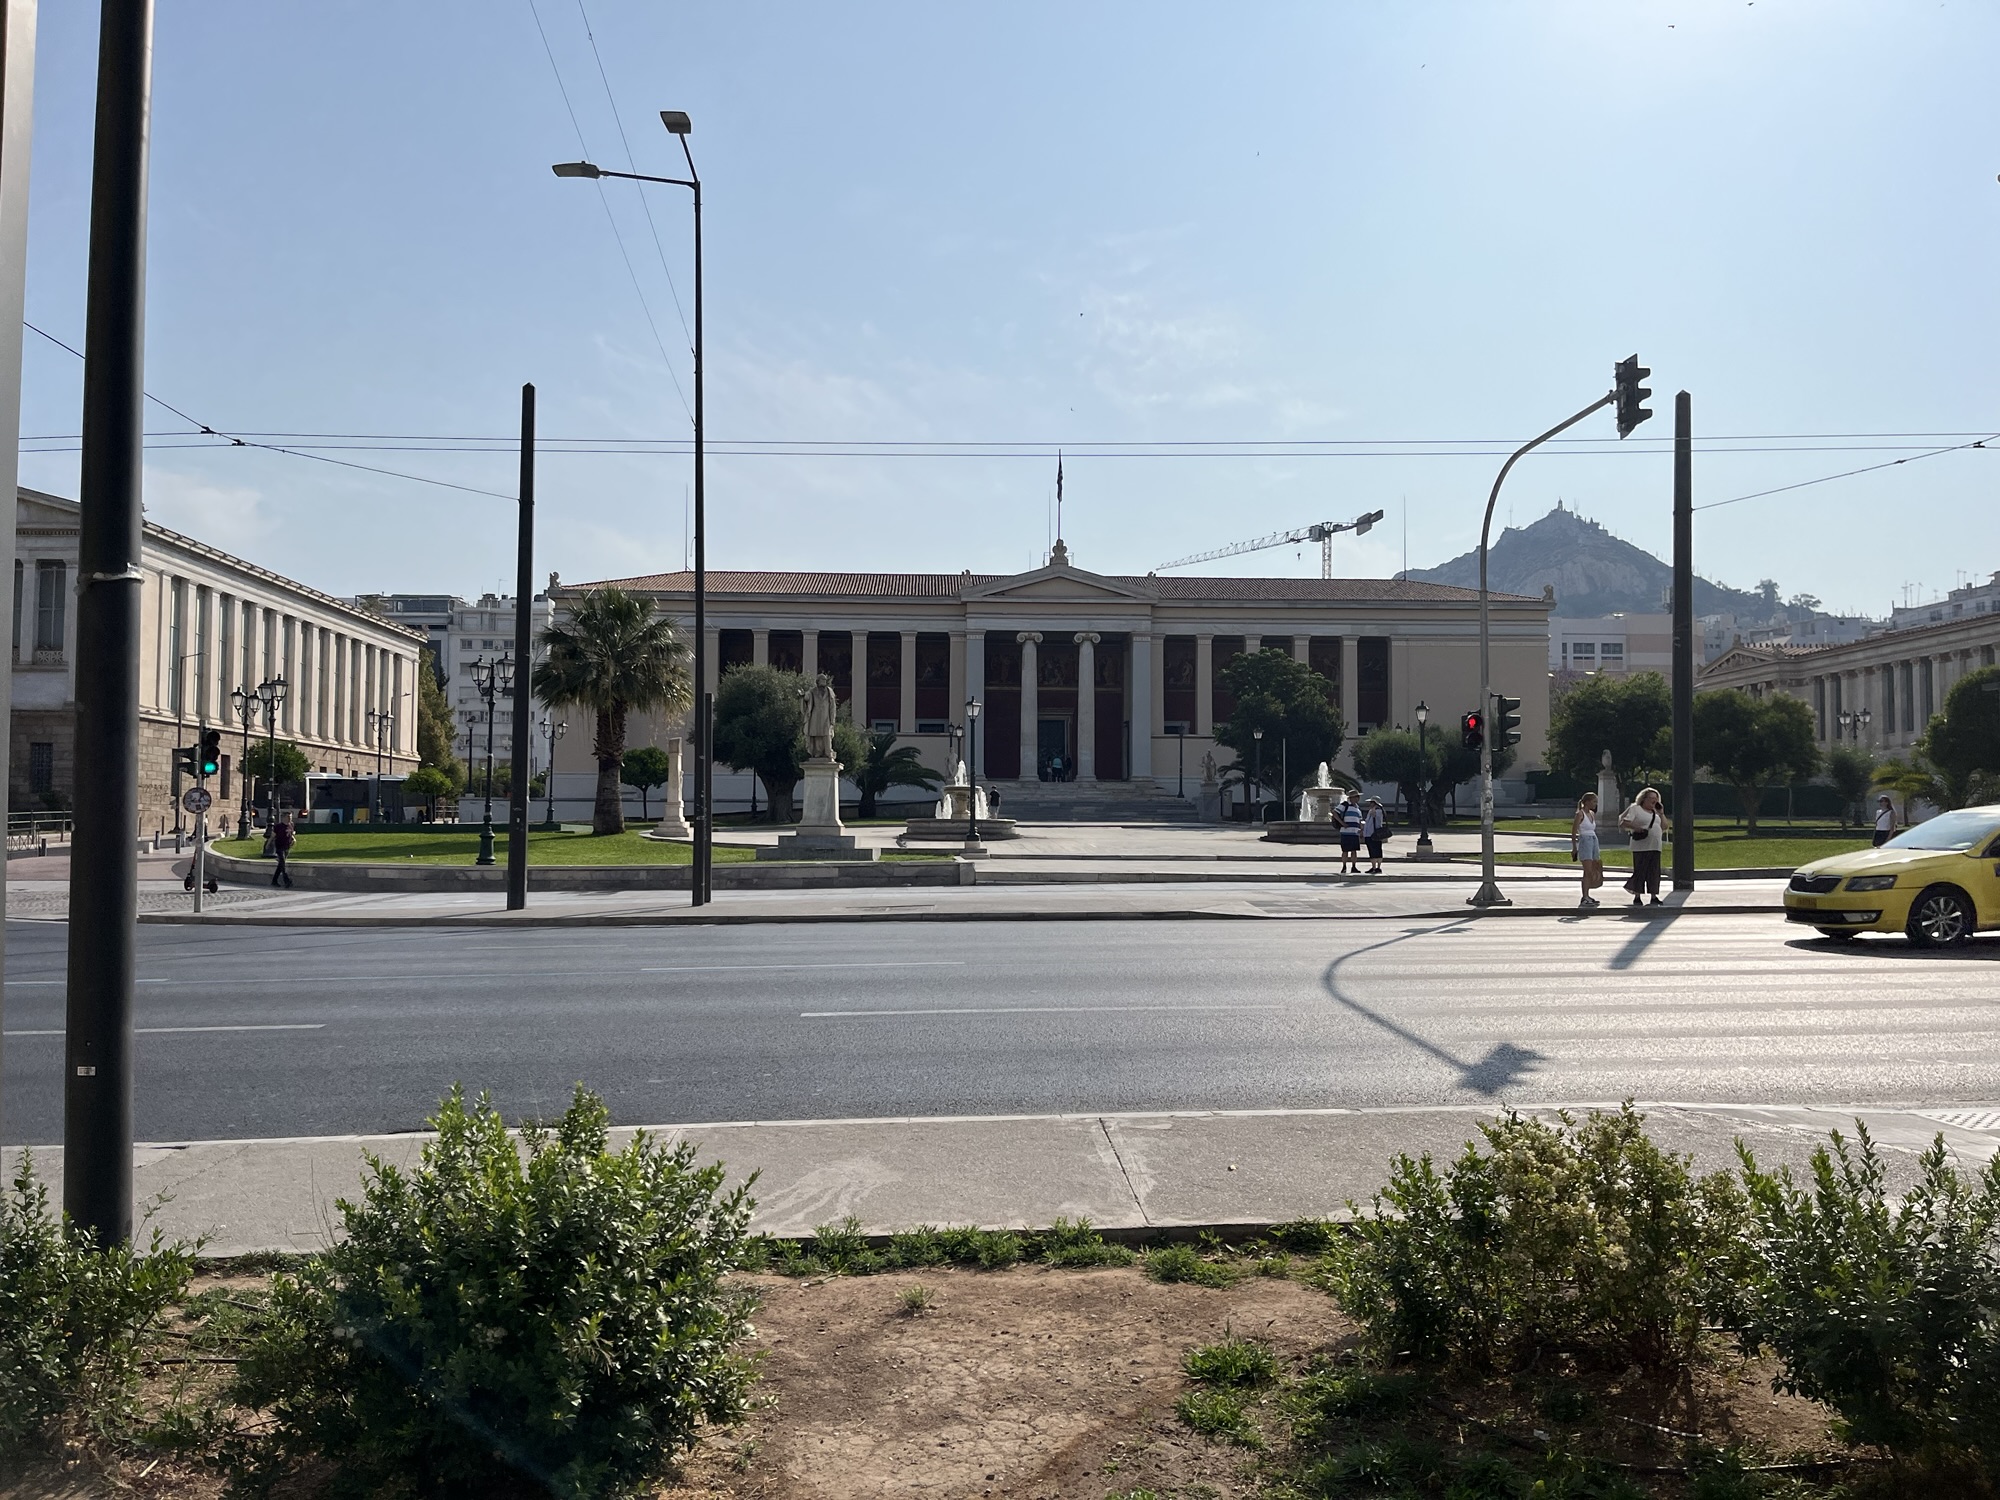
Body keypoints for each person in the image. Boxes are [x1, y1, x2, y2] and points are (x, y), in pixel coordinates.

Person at [1620, 787, 1665, 907]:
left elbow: (1664, 826)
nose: (1654, 801)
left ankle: (1654, 896)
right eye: (1651, 798)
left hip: (1655, 846)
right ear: (1644, 799)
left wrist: (1661, 813)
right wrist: (1637, 828)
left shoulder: (1656, 812)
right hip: (1641, 846)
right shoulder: (1636, 808)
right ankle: (1637, 896)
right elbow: (1624, 822)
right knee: (1640, 870)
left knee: (1654, 872)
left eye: (1656, 799)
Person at [1572, 791, 1604, 909]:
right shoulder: (1580, 814)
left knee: (1594, 868)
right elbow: (1574, 831)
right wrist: (1575, 847)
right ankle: (1585, 896)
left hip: (1593, 840)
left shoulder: (1592, 814)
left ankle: (1588, 895)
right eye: (1594, 801)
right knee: (1588, 870)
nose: (1595, 804)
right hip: (1585, 840)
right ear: (1587, 802)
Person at [1338, 791, 1364, 874]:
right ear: (1351, 797)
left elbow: (1360, 820)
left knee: (1354, 851)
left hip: (1355, 832)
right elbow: (1335, 813)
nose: (1358, 798)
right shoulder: (1344, 805)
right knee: (1345, 851)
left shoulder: (1357, 807)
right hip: (1346, 832)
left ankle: (1353, 866)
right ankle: (1344, 866)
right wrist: (1342, 823)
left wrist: (1361, 829)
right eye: (1356, 796)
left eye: (1358, 797)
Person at [1361, 797, 1388, 874]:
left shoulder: (1378, 811)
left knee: (1374, 851)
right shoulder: (1373, 810)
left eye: (1372, 802)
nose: (1370, 804)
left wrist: (1375, 807)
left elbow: (1374, 815)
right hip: (1369, 834)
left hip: (1373, 834)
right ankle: (1374, 867)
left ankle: (1376, 867)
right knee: (1375, 850)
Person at [271, 813, 296, 889]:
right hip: (279, 847)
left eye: (291, 817)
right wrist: (268, 844)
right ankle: (287, 881)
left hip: (287, 847)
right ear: (284, 817)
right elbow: (273, 836)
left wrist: (293, 839)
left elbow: (291, 834)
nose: (290, 818)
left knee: (280, 865)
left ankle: (274, 881)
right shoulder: (278, 826)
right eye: (288, 817)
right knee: (282, 863)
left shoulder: (291, 825)